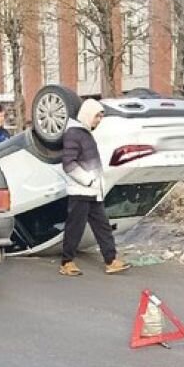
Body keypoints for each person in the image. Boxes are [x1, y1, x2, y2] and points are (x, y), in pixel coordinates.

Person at [58, 99, 130, 277]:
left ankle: (111, 260)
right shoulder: (74, 133)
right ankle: (66, 262)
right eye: (97, 116)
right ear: (88, 115)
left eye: (100, 117)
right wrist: (89, 181)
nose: (99, 120)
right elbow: (68, 164)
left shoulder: (85, 133)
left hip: (93, 191)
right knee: (75, 228)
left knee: (102, 227)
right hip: (81, 191)